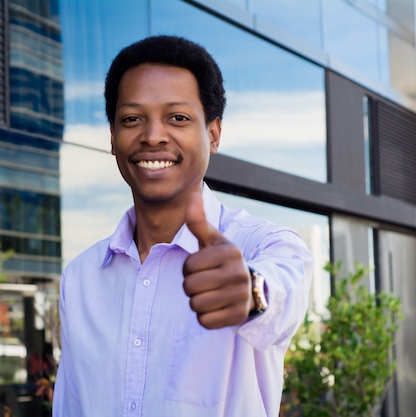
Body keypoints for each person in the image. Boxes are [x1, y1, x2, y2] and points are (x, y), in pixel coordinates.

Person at [52, 35, 314, 417]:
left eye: (178, 117)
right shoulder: (80, 278)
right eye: (131, 119)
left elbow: (282, 292)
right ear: (112, 137)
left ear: (213, 132)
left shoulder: (262, 246)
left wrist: (250, 292)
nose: (153, 135)